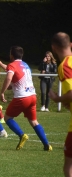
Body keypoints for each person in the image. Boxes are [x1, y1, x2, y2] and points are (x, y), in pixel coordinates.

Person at [0, 46, 52, 151]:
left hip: (22, 98)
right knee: (34, 122)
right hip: (32, 96)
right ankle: (47, 145)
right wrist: (11, 86)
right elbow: (22, 80)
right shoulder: (25, 65)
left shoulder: (12, 65)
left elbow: (9, 77)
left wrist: (2, 91)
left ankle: (22, 135)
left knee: (7, 118)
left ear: (11, 55)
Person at [49, 32, 72, 177]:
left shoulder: (65, 66)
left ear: (53, 48)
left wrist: (58, 99)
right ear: (71, 45)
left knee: (68, 165)